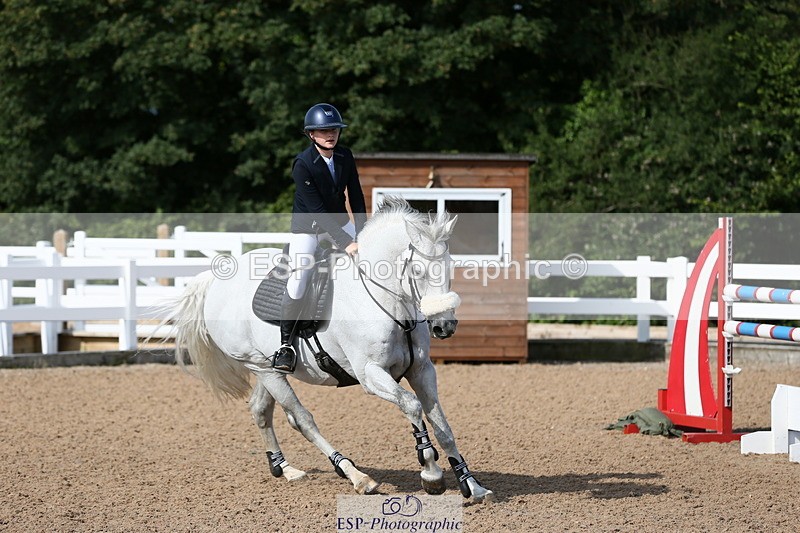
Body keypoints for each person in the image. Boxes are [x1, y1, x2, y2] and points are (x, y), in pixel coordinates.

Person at [273, 103, 367, 373]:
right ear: (311, 134)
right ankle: (285, 346)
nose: (330, 134)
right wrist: (346, 243)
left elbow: (357, 196)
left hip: (337, 222)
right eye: (323, 130)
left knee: (369, 259)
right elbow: (318, 211)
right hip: (308, 228)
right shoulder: (302, 164)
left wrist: (361, 232)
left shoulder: (345, 156)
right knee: (299, 277)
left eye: (334, 129)